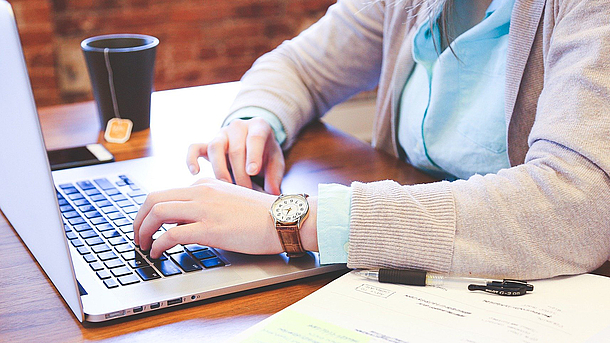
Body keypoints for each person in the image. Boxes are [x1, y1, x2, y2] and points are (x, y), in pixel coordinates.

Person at [133, 0, 610, 279]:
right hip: (416, 274)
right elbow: (299, 66)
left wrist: (292, 221)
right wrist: (255, 121)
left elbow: (577, 204)